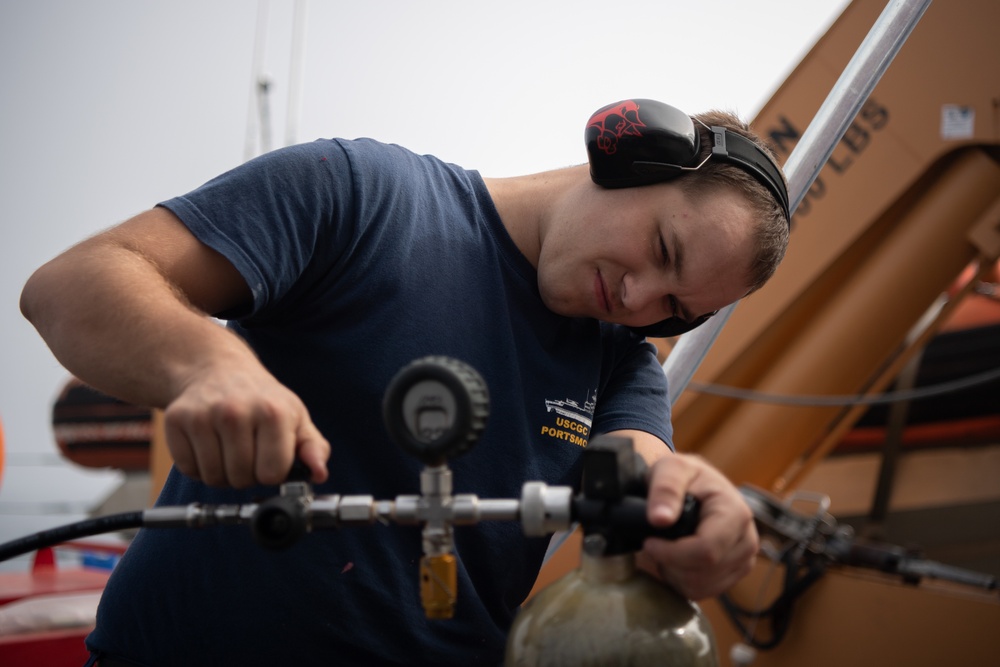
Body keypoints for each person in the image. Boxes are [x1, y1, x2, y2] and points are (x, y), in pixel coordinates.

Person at [20, 99, 788, 666]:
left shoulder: (619, 361)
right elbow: (75, 282)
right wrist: (208, 364)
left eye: (675, 309)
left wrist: (691, 512)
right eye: (661, 248)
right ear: (626, 153)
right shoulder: (362, 196)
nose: (639, 299)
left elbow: (641, 472)